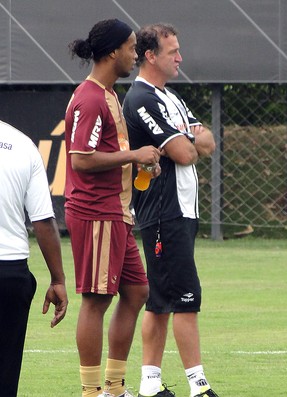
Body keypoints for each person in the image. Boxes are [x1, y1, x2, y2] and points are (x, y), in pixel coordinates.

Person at [64, 19, 161, 397]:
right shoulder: (89, 98)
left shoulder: (108, 94)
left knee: (136, 291)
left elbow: (104, 153)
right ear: (111, 52)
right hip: (96, 213)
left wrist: (134, 163)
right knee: (96, 299)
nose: (135, 55)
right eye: (131, 47)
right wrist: (134, 153)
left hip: (116, 212)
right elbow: (80, 160)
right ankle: (92, 393)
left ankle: (115, 387)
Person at [123, 23, 219, 397]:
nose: (180, 57)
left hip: (181, 211)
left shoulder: (171, 98)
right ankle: (199, 385)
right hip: (163, 211)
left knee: (162, 299)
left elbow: (204, 141)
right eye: (172, 51)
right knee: (184, 297)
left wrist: (187, 140)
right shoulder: (142, 99)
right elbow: (184, 152)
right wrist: (186, 142)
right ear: (150, 56)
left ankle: (149, 385)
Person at [0, 120, 68, 397]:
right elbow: (42, 220)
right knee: (5, 372)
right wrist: (58, 279)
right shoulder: (22, 144)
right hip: (10, 274)